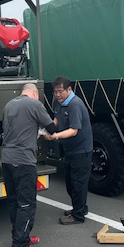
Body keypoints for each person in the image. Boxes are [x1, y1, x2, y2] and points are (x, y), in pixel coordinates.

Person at [1, 83, 57, 247]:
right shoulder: (34, 104)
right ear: (34, 93)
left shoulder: (9, 105)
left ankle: (20, 235)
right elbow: (51, 128)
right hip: (23, 160)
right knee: (26, 203)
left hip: (7, 159)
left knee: (14, 201)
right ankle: (20, 246)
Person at [47, 76, 93, 225]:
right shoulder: (58, 102)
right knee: (70, 183)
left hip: (81, 150)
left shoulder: (75, 105)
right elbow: (57, 119)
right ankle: (80, 208)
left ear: (69, 90)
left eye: (60, 91)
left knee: (78, 183)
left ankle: (78, 216)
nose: (57, 95)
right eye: (55, 92)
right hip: (69, 149)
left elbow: (74, 130)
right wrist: (49, 130)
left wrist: (56, 136)